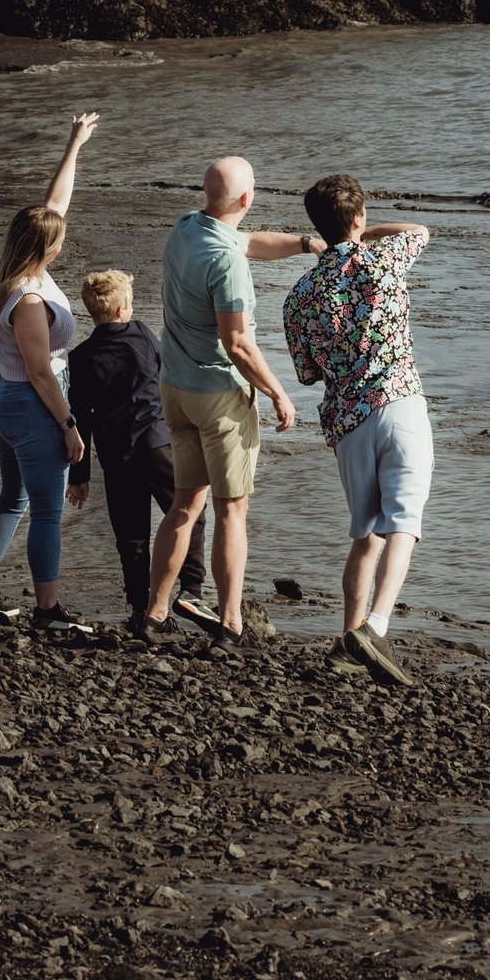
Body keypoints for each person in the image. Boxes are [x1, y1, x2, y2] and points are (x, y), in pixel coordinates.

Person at [142, 157, 325, 639]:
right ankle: (230, 622)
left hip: (174, 389)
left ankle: (155, 613)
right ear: (247, 200)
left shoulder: (185, 229)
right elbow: (238, 344)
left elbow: (248, 240)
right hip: (218, 397)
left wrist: (307, 244)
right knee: (231, 509)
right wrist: (279, 393)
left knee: (184, 505)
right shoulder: (228, 263)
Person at [282, 174, 432, 687]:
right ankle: (377, 626)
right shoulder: (385, 258)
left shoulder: (299, 295)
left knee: (365, 533)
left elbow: (306, 372)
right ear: (360, 219)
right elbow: (419, 229)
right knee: (404, 524)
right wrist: (361, 237)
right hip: (399, 403)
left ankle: (348, 638)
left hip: (347, 421)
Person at [0, 112, 98, 635]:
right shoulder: (31, 299)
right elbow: (42, 372)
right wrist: (69, 426)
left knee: (13, 497)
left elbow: (54, 206)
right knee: (45, 510)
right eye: (59, 238)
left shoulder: (19, 270)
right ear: (47, 247)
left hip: (4, 395)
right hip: (30, 402)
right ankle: (47, 612)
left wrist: (75, 143)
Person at [62, 270, 216, 629]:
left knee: (130, 534)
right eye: (130, 302)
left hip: (115, 454)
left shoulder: (80, 357)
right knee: (189, 512)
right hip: (157, 444)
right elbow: (170, 376)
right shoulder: (142, 335)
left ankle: (139, 609)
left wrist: (79, 477)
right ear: (121, 310)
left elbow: (79, 418)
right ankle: (190, 589)